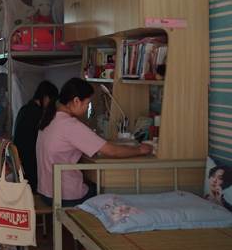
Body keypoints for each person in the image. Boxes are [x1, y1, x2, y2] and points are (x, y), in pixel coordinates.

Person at [36, 77, 153, 207]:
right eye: (87, 104)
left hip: (46, 191)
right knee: (106, 193)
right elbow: (112, 151)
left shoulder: (51, 118)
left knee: (93, 184)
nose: (87, 108)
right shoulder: (69, 125)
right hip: (64, 195)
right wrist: (140, 150)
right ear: (76, 101)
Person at [13, 80, 58, 192]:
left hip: (22, 163)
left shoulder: (24, 109)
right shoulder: (37, 114)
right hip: (31, 168)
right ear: (46, 97)